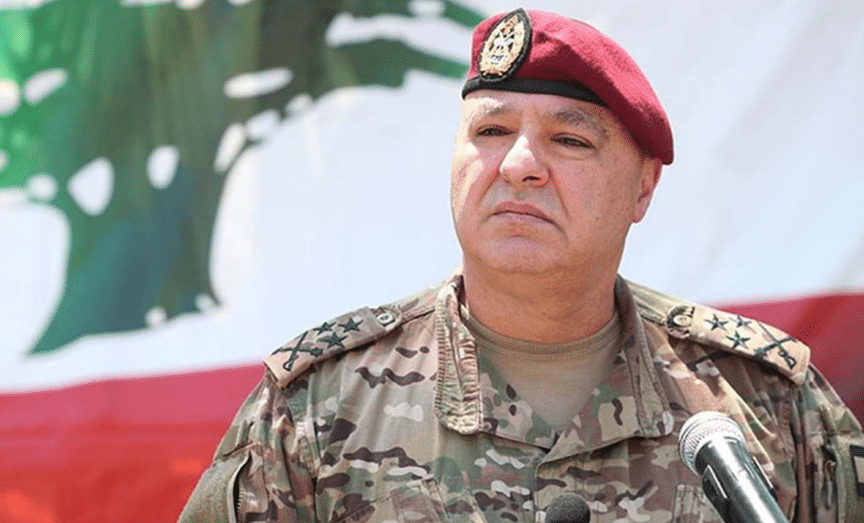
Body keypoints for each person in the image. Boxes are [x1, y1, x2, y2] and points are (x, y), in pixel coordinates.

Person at [178, 8, 864, 523]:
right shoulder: (319, 407)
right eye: (491, 131)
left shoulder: (763, 402)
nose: (518, 165)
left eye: (568, 140)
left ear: (642, 188)